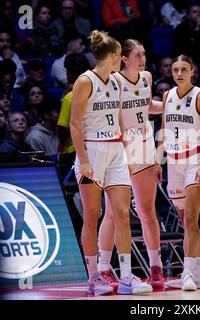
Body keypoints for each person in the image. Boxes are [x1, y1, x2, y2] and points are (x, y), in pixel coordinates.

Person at [70, 30, 152, 295]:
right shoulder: (85, 81)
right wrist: (83, 160)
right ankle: (94, 276)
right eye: (121, 55)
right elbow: (74, 124)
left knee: (122, 214)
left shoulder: (116, 82)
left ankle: (126, 276)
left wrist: (125, 152)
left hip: (116, 149)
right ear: (115, 56)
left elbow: (119, 119)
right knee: (92, 215)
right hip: (92, 152)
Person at [97, 39, 165, 288]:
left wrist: (172, 105)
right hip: (121, 148)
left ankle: (156, 267)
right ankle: (104, 268)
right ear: (124, 58)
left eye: (144, 53)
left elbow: (149, 107)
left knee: (147, 212)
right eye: (137, 54)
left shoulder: (146, 77)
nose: (142, 58)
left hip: (144, 146)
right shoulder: (114, 81)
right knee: (114, 213)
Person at [156, 54, 200, 291]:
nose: (178, 73)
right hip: (174, 162)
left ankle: (188, 273)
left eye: (183, 69)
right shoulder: (167, 95)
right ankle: (196, 272)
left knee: (190, 218)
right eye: (175, 69)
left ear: (193, 72)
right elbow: (164, 130)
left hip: (196, 160)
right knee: (186, 222)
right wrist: (158, 160)